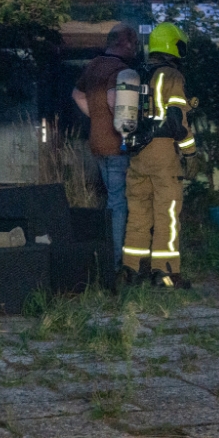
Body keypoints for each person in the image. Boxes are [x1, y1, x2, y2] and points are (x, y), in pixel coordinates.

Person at [122, 22, 197, 289]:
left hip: (136, 154)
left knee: (138, 214)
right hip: (163, 153)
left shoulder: (137, 75)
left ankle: (131, 270)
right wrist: (190, 151)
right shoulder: (171, 76)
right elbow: (178, 121)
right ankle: (165, 274)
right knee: (167, 214)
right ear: (173, 45)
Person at [72, 23, 140, 273]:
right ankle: (115, 261)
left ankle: (109, 256)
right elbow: (115, 100)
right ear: (127, 43)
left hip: (97, 142)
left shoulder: (93, 66)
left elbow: (77, 95)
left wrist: (97, 118)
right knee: (118, 202)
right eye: (134, 44)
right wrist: (119, 123)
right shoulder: (120, 70)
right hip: (116, 144)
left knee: (111, 199)